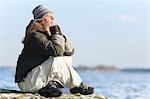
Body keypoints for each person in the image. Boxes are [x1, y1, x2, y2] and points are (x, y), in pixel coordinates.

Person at [15, 5, 94, 97]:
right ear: (40, 20)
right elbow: (57, 51)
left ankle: (49, 88)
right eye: (48, 16)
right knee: (57, 59)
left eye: (53, 16)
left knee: (66, 58)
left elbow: (69, 51)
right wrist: (56, 33)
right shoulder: (35, 36)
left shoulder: (48, 34)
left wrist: (59, 34)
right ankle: (76, 86)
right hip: (27, 83)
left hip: (38, 80)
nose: (53, 18)